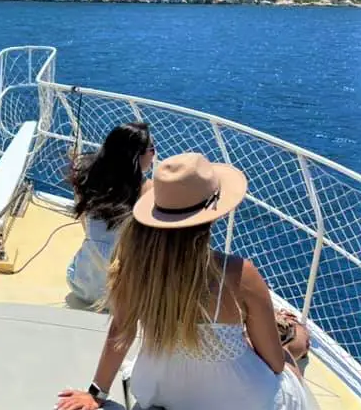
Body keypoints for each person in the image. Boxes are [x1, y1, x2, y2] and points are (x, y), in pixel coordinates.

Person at [56, 153, 317, 410]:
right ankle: (293, 334)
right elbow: (273, 364)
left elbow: (120, 331)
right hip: (239, 401)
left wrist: (96, 393)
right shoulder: (239, 274)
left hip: (162, 392)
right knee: (291, 350)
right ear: (213, 214)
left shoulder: (133, 267)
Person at [66, 122, 155, 306]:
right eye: (151, 149)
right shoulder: (147, 191)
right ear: (135, 157)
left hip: (81, 282)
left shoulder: (87, 181)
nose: (154, 153)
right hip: (122, 295)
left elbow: (87, 227)